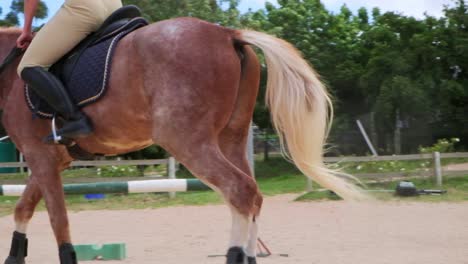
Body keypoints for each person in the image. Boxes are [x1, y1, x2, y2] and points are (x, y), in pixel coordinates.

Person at [17, 0, 123, 142]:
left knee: (28, 66)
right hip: (115, 7)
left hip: (85, 8)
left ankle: (75, 119)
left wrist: (26, 30)